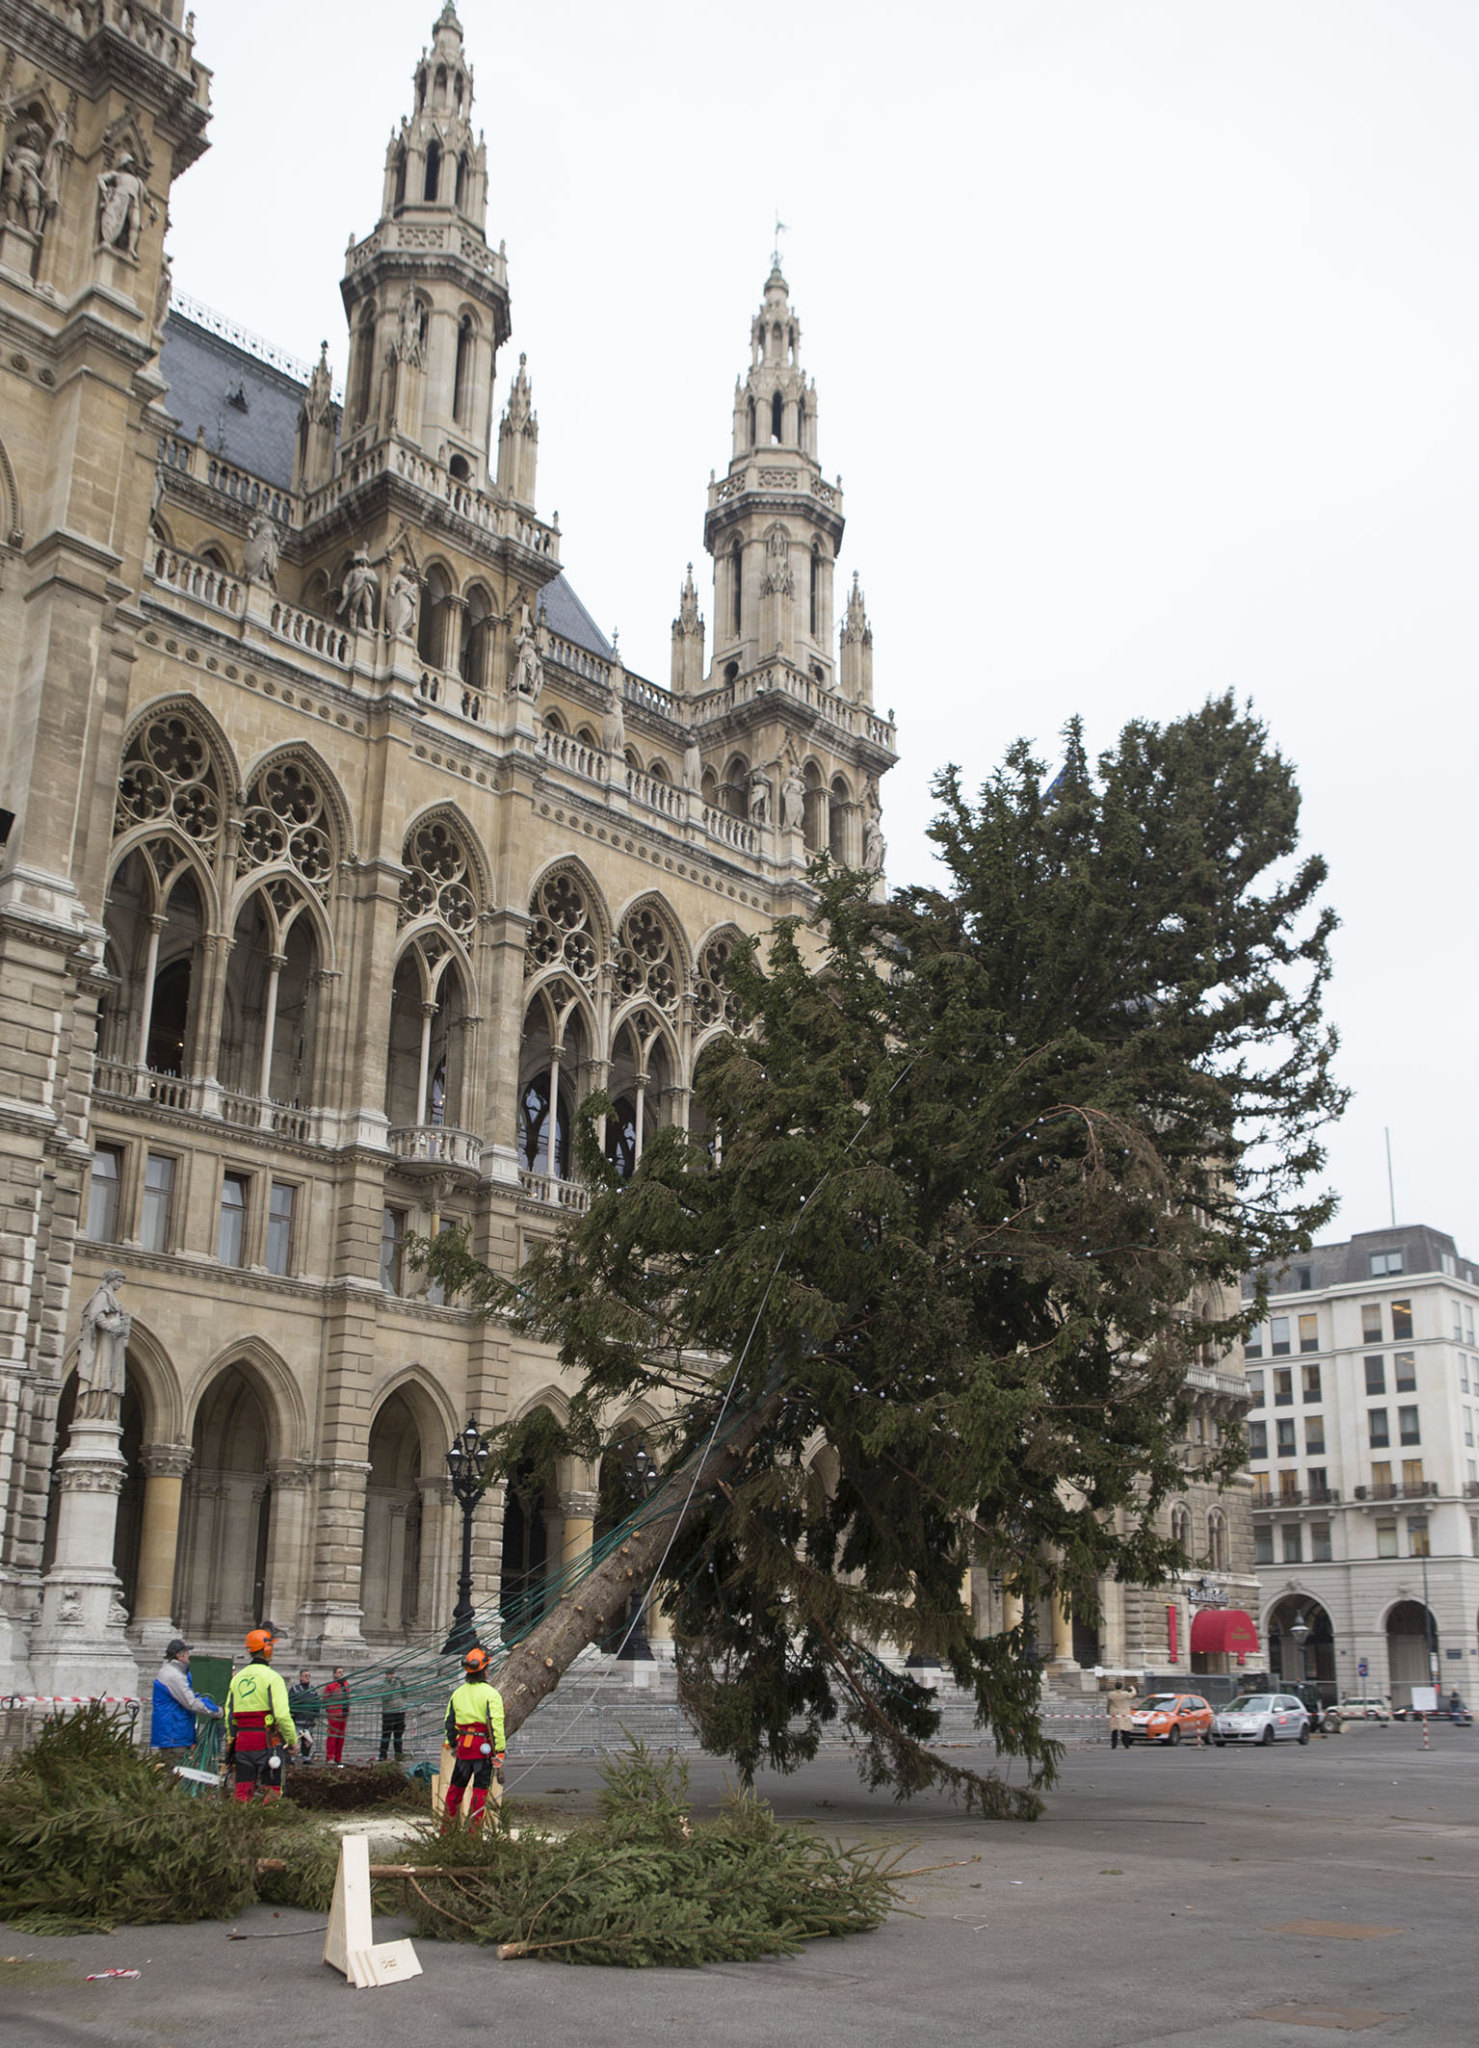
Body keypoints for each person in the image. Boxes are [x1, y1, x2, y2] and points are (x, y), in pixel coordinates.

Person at [224, 1628, 297, 1805]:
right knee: (272, 1789)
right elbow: (281, 1714)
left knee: (242, 1790)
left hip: (242, 1741)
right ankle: (268, 1823)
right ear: (267, 1649)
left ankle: (239, 1822)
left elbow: (229, 1714)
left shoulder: (237, 1678)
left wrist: (231, 1741)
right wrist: (292, 1740)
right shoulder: (273, 1678)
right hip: (267, 1742)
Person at [441, 1646, 505, 1832]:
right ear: (485, 1670)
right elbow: (496, 1724)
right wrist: (500, 1750)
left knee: (455, 1790)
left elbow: (449, 1722)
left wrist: (453, 1744)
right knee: (480, 1791)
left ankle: (446, 1829)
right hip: (483, 1748)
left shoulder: (457, 1693)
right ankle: (473, 1833)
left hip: (463, 1747)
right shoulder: (491, 1694)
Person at [149, 1637, 221, 1760]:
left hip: (174, 1732)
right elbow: (190, 1702)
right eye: (187, 1653)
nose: (189, 1656)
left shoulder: (173, 1673)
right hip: (174, 1734)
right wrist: (216, 1711)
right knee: (175, 1773)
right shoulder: (174, 1676)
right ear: (180, 1655)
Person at [288, 1669, 320, 1760]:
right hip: (298, 1720)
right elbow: (290, 1702)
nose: (307, 1677)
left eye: (308, 1676)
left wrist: (315, 1714)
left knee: (308, 1740)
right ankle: (292, 1757)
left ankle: (306, 1756)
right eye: (305, 1675)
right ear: (300, 1677)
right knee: (295, 1739)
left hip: (308, 1720)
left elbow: (316, 1703)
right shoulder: (295, 1689)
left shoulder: (313, 1690)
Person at [323, 1666, 349, 1766]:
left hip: (344, 1713)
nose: (341, 1674)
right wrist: (331, 1711)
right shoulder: (330, 1686)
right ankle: (330, 1757)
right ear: (334, 1674)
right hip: (335, 1715)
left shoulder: (346, 1684)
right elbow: (325, 1700)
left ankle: (338, 1757)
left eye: (342, 1672)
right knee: (332, 1736)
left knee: (341, 1737)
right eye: (339, 1672)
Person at [379, 1669, 407, 1762]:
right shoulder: (384, 1684)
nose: (391, 1676)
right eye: (389, 1674)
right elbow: (385, 1697)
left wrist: (402, 1684)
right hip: (389, 1712)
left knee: (398, 1735)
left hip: (400, 1711)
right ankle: (383, 1755)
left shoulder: (398, 1683)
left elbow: (405, 1694)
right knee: (386, 1735)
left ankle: (399, 1755)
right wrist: (392, 1685)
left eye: (392, 1674)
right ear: (386, 1675)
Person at [1105, 1681, 1135, 1752]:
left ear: (1115, 1687)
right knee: (1125, 1729)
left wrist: (1108, 1710)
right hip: (1124, 1712)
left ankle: (1114, 1744)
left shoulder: (1111, 1694)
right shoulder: (1125, 1694)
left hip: (1114, 1712)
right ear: (1121, 1687)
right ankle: (1126, 1744)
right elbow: (1133, 1694)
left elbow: (1108, 1703)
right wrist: (1132, 1688)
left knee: (1114, 1729)